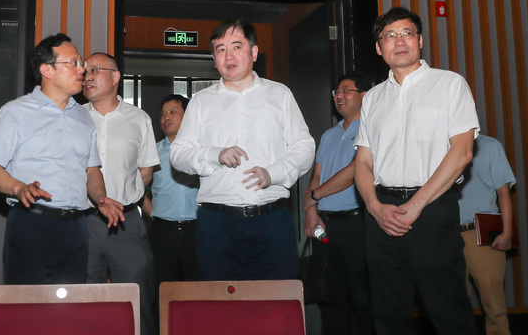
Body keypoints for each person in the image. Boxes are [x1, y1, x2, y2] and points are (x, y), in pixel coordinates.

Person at [353, 7, 480, 335]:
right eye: (389, 35)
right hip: (380, 215)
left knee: (449, 313)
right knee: (387, 314)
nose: (399, 41)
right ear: (379, 48)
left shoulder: (449, 84)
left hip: (432, 211)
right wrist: (374, 207)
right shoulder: (372, 98)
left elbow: (463, 151)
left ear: (420, 41)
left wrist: (417, 204)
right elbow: (363, 162)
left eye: (407, 33)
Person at [170, 19, 315, 281]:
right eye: (221, 49)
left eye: (237, 47)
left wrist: (274, 173)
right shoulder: (201, 102)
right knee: (219, 301)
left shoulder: (280, 94)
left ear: (254, 52)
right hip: (217, 224)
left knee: (278, 298)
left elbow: (304, 146)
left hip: (271, 220)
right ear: (214, 60)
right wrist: (214, 154)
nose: (229, 56)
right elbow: (178, 154)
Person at [0, 33, 124, 285]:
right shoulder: (15, 112)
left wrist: (100, 197)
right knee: (27, 302)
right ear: (47, 70)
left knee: (70, 305)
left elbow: (91, 171)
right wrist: (18, 187)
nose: (82, 69)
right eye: (73, 63)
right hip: (32, 223)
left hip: (77, 227)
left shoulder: (83, 117)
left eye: (81, 63)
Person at [82, 52, 159, 335]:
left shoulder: (139, 119)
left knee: (137, 300)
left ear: (115, 77)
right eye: (85, 71)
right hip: (83, 223)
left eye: (95, 70)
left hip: (126, 223)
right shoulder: (74, 116)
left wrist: (125, 194)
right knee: (83, 300)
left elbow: (146, 170)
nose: (87, 76)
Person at [303, 72, 374, 335]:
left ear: (364, 96)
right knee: (331, 298)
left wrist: (314, 196)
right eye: (337, 92)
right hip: (326, 225)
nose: (339, 96)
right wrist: (311, 212)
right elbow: (317, 174)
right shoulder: (328, 135)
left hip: (357, 223)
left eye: (346, 90)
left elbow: (354, 172)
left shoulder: (371, 129)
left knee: (362, 298)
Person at [141, 94, 199, 334]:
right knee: (163, 292)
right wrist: (154, 214)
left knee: (198, 292)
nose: (166, 117)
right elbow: (137, 191)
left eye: (173, 111)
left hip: (198, 232)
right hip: (163, 234)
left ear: (187, 116)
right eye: (163, 113)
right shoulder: (152, 154)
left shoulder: (201, 151)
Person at [458, 134, 516, 335]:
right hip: (447, 235)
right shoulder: (438, 146)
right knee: (453, 306)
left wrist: (507, 232)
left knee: (494, 306)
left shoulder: (490, 145)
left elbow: (504, 192)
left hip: (481, 233)